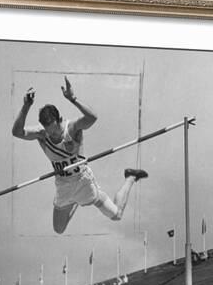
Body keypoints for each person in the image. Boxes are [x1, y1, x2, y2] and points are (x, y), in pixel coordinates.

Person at [12, 76, 148, 234]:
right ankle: (75, 202)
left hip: (83, 182)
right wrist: (26, 106)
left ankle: (130, 177)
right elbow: (17, 132)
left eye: (55, 130)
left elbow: (92, 118)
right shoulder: (42, 134)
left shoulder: (72, 128)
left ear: (59, 120)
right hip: (63, 185)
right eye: (49, 131)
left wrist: (73, 99)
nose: (53, 135)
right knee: (59, 229)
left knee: (116, 215)